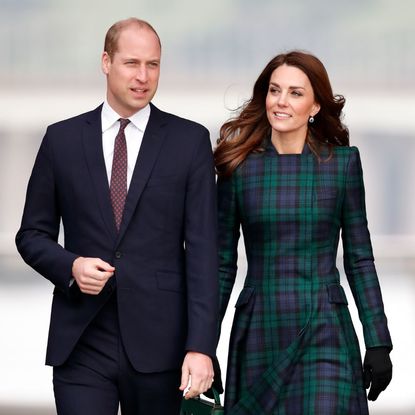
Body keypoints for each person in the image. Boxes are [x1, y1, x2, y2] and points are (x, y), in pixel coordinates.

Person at [16, 18, 218, 415]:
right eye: (132, 63)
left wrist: (201, 347)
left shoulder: (190, 142)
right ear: (106, 62)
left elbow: (203, 253)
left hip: (162, 348)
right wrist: (71, 265)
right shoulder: (61, 140)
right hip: (81, 341)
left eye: (153, 65)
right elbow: (31, 235)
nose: (143, 76)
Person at [214, 51, 392, 414]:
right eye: (275, 91)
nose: (281, 102)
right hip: (261, 327)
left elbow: (360, 259)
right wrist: (201, 344)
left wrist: (379, 342)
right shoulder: (239, 168)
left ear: (314, 106)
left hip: (325, 327)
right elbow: (220, 264)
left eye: (295, 93)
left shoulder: (342, 164)